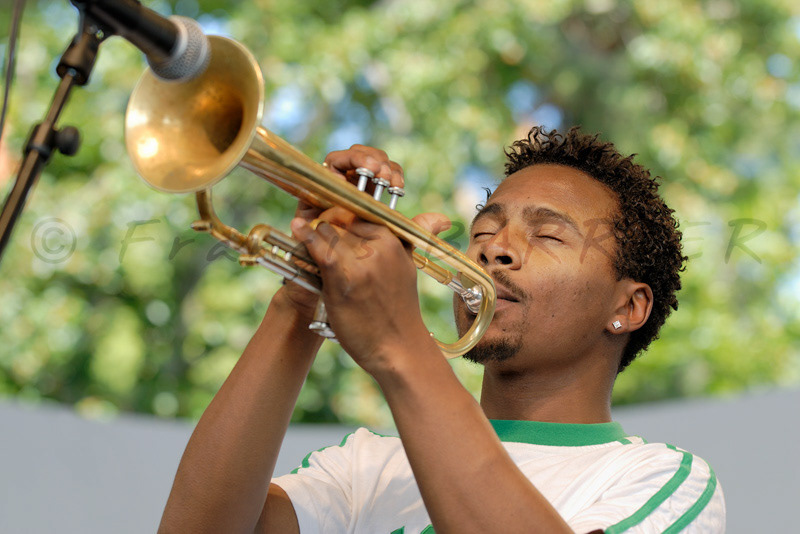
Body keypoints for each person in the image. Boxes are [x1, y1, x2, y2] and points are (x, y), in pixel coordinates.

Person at [158, 127, 726, 533]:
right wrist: (302, 295)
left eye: (549, 236)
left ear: (627, 307)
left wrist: (399, 345)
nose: (496, 249)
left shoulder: (660, 480)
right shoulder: (367, 465)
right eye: (485, 229)